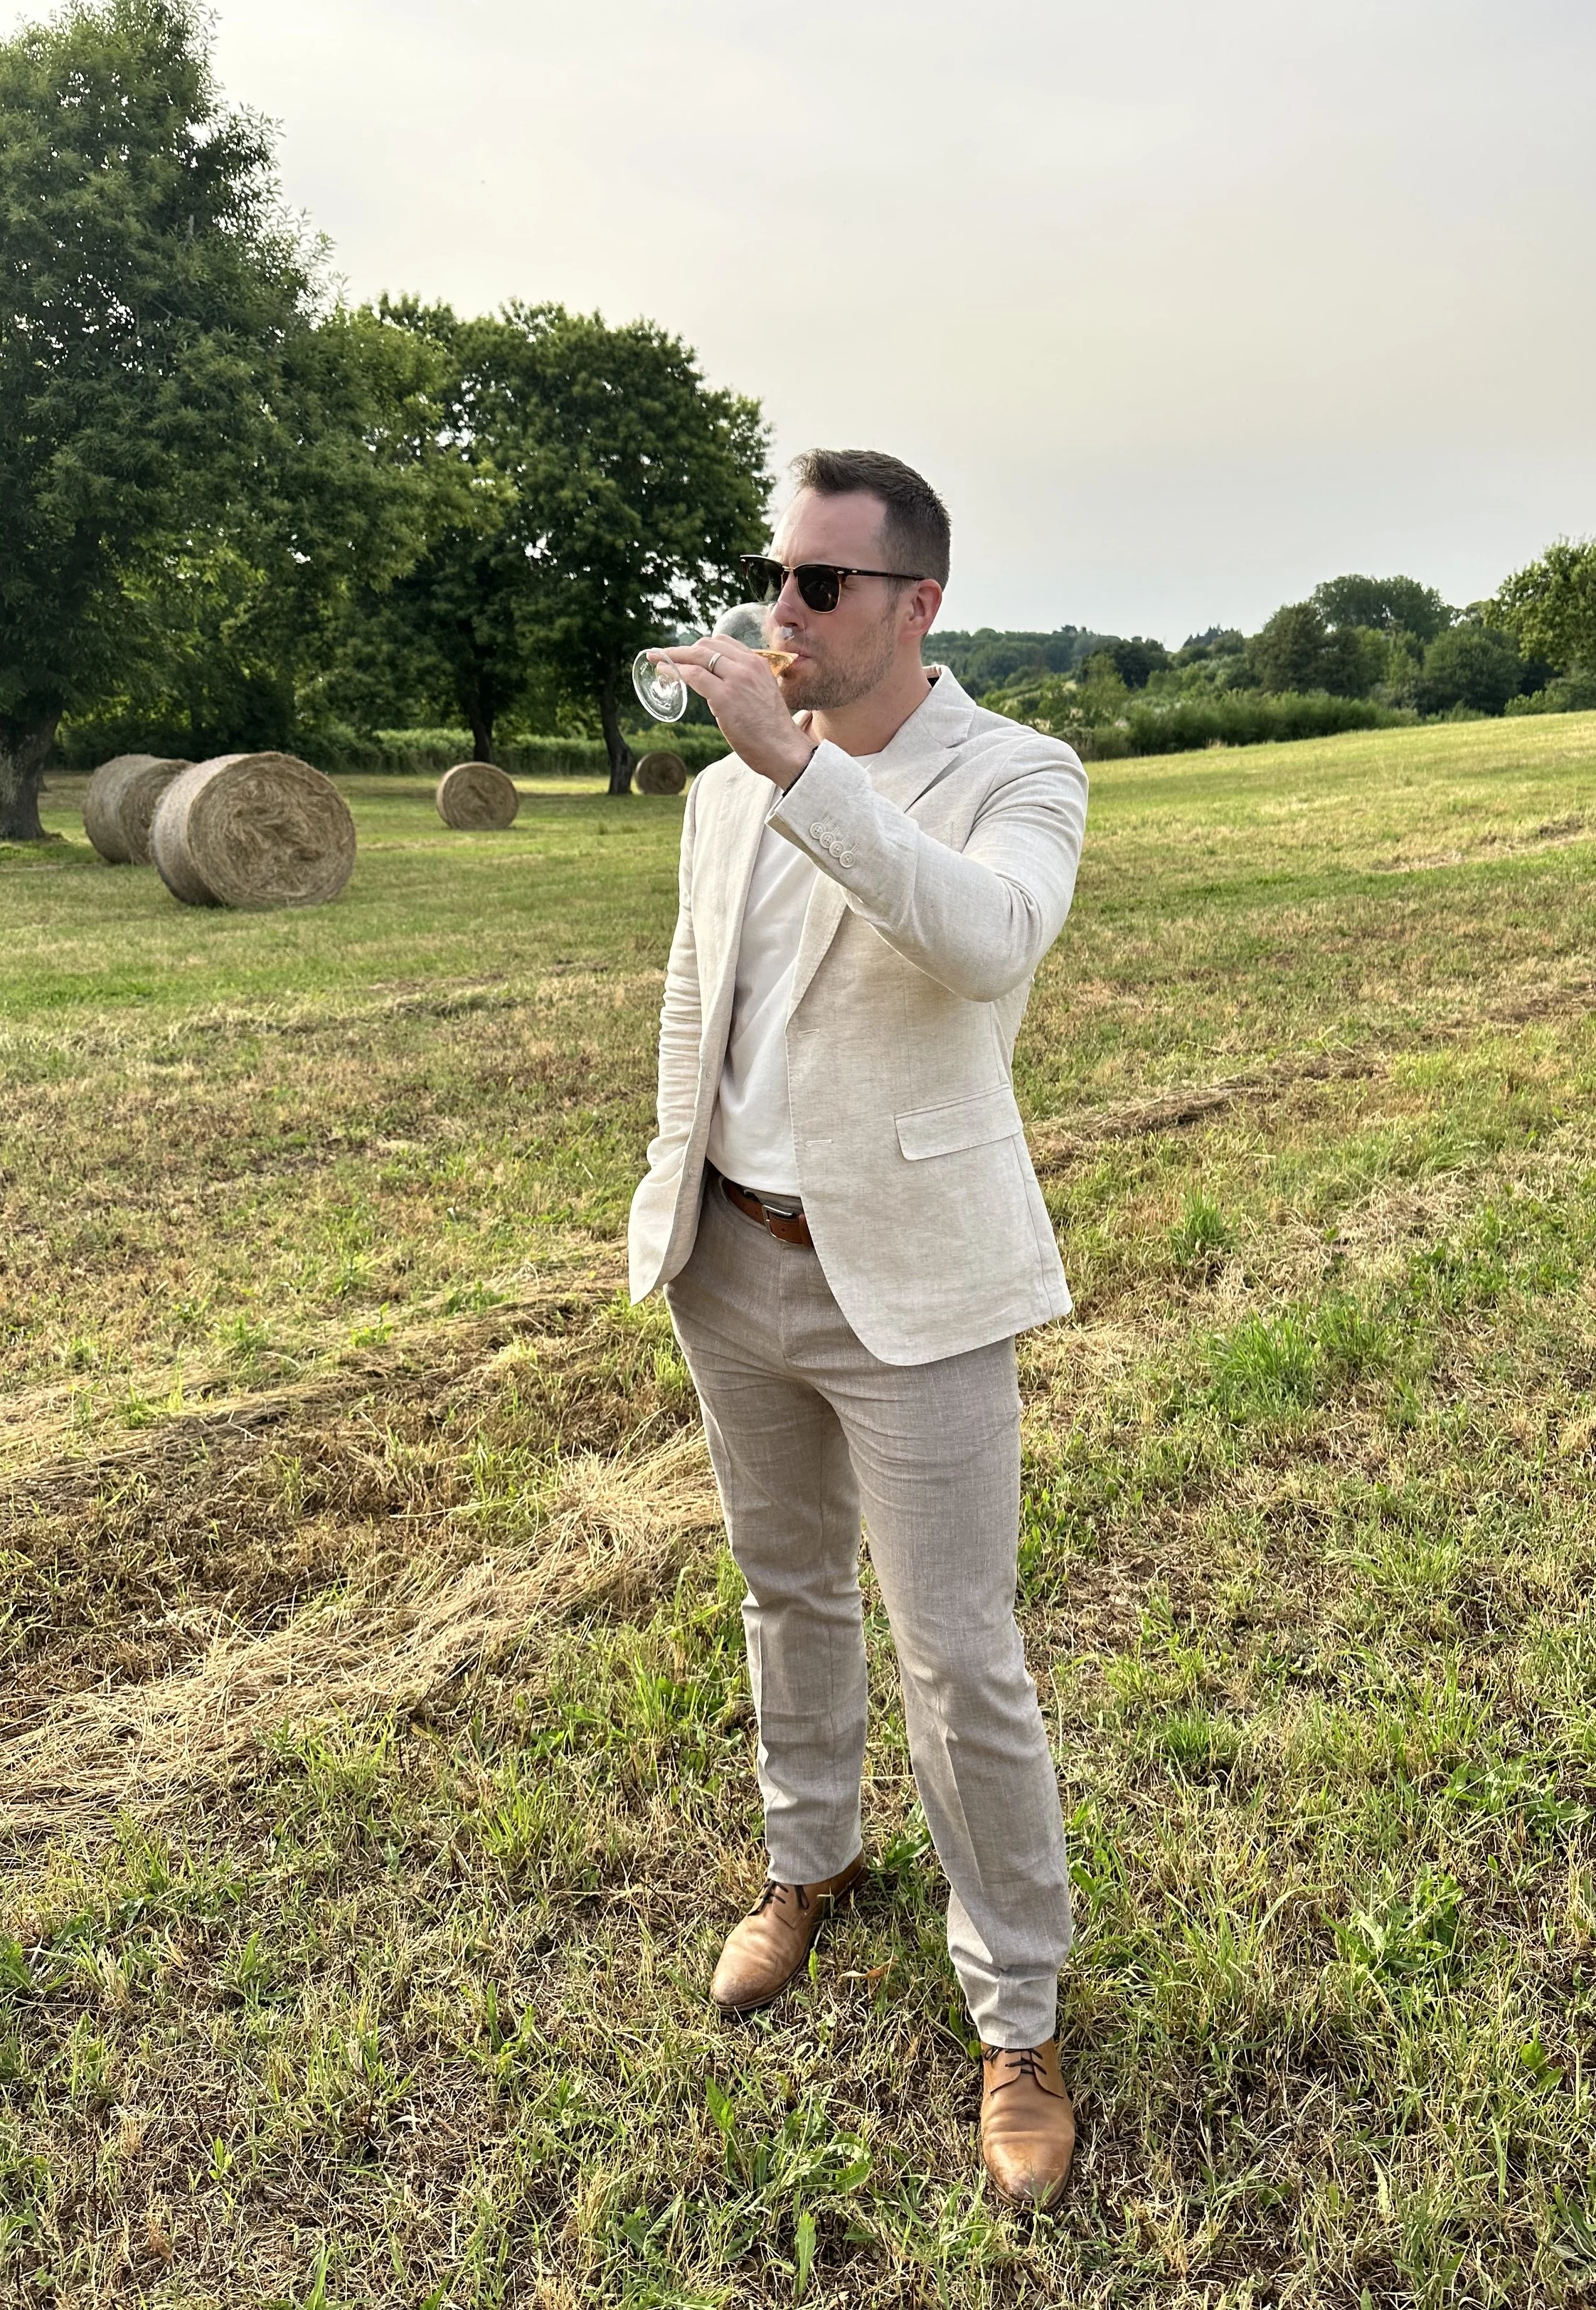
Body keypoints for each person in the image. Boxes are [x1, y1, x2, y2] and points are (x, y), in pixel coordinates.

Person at [628, 448, 1089, 2208]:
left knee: (959, 1655)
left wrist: (800, 769)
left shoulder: (1015, 772)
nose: (783, 611)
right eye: (776, 575)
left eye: (820, 584)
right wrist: (672, 1197)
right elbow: (696, 1003)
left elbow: (984, 944)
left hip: (913, 1281)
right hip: (730, 1260)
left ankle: (1018, 2016)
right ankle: (805, 1860)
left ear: (916, 604)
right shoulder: (716, 794)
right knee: (784, 1586)